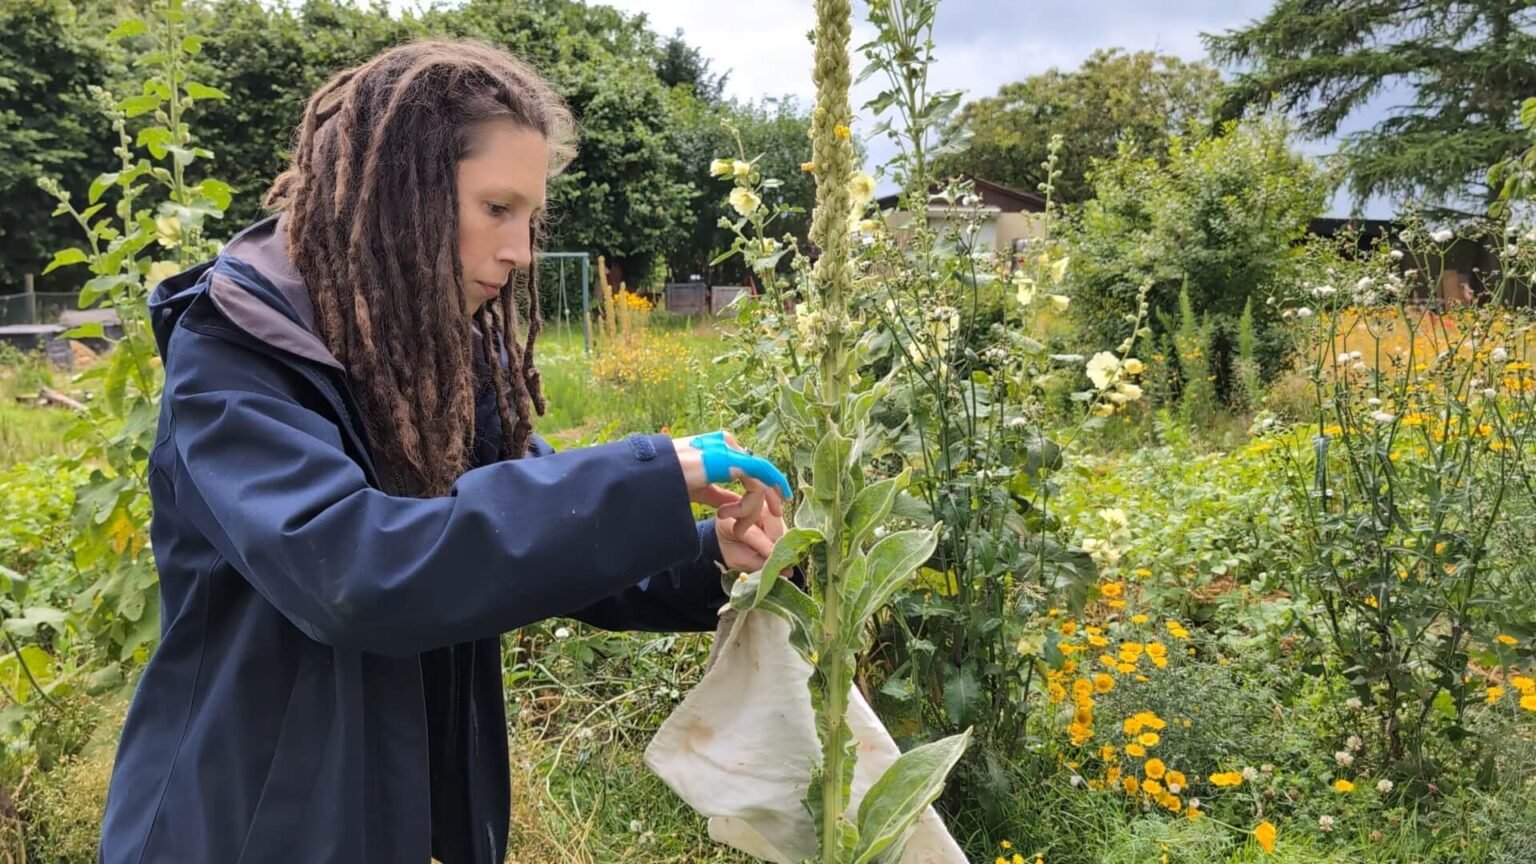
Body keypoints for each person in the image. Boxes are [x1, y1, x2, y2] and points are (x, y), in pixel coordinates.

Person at [97, 39, 790, 864]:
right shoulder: (236, 356)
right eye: (496, 209)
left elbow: (537, 537)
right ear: (400, 198)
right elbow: (355, 573)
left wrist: (716, 556)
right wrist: (637, 480)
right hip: (241, 829)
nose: (522, 250)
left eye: (531, 216)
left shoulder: (437, 353)